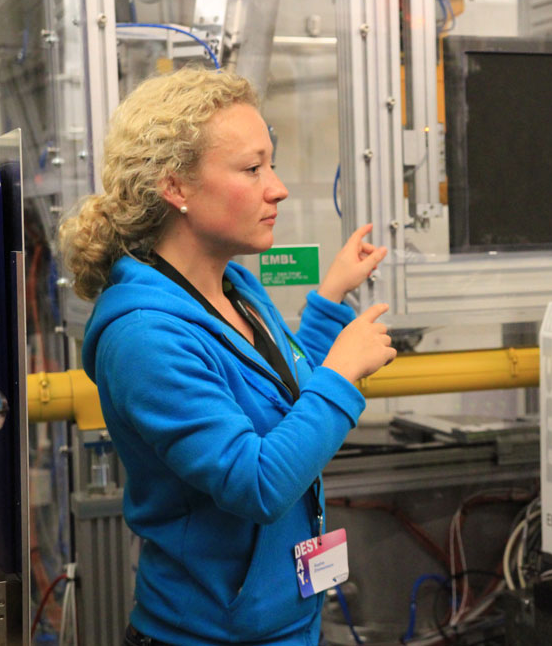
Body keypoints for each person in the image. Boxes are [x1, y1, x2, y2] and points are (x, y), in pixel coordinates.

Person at [58, 67, 396, 645]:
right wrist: (343, 371)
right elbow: (256, 483)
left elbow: (288, 399)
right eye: (251, 168)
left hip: (285, 620)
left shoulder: (235, 286)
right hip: (210, 634)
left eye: (272, 163)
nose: (278, 187)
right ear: (177, 188)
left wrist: (330, 298)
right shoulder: (144, 337)